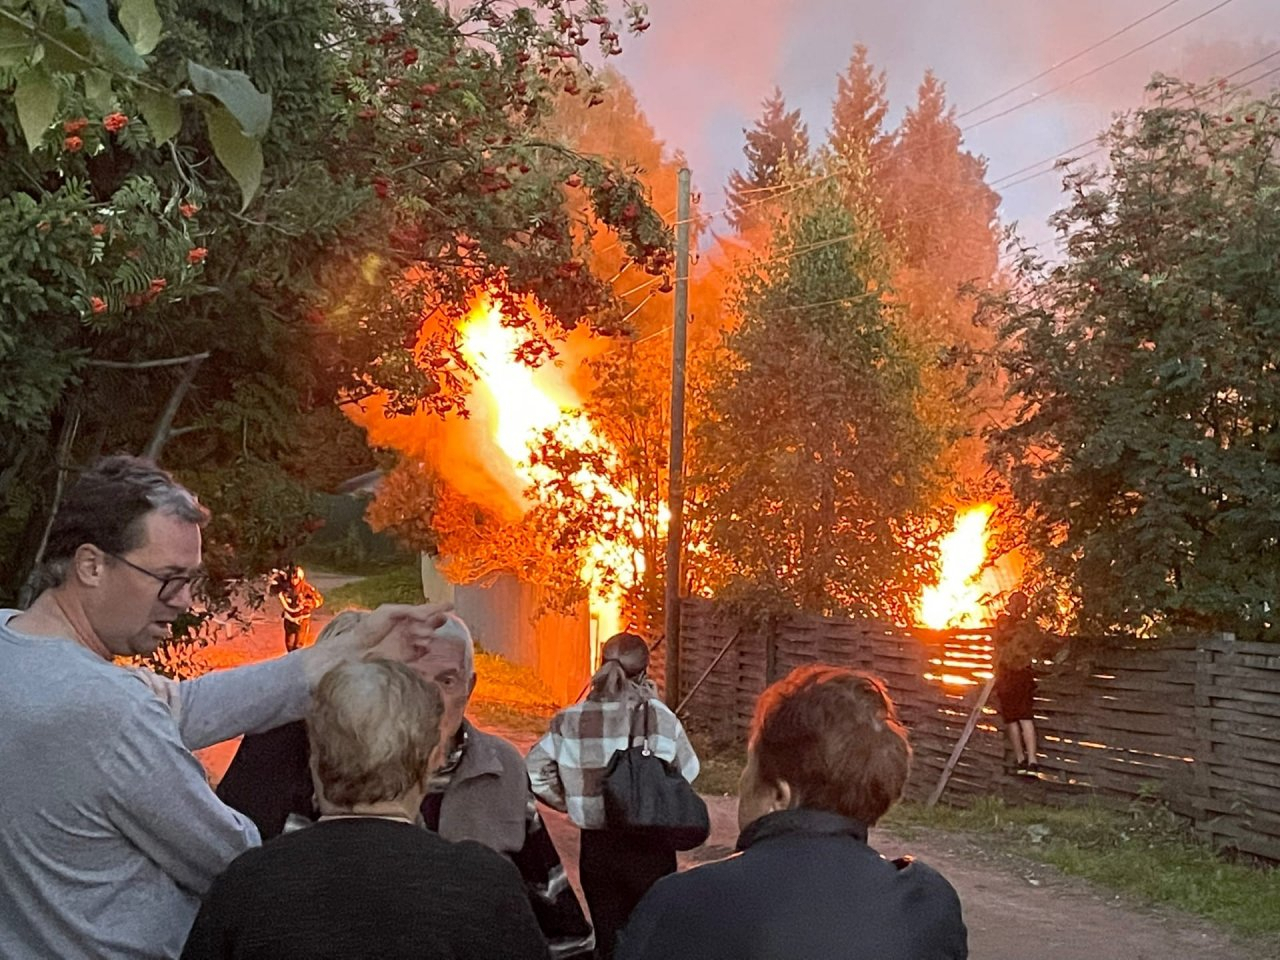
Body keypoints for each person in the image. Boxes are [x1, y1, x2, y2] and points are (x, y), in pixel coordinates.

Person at [0, 454, 452, 960]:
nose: (186, 601)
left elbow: (181, 705)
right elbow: (232, 860)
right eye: (170, 577)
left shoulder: (18, 653)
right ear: (91, 565)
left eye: (193, 579)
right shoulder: (109, 712)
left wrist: (340, 652)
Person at [216, 613, 595, 959]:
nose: (430, 701)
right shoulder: (267, 855)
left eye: (446, 680)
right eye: (414, 681)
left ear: (470, 686)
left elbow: (563, 928)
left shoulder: (501, 772)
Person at [615, 664, 968, 960]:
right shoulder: (928, 903)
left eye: (749, 766)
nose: (741, 782)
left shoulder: (680, 903)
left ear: (780, 795)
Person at [526, 632, 700, 960]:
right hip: (652, 846)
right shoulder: (660, 718)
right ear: (645, 673)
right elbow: (688, 770)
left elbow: (535, 771)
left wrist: (572, 801)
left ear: (600, 666)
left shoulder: (570, 719)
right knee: (651, 942)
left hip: (598, 848)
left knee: (607, 943)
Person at [992, 590, 1040, 776]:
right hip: (1023, 676)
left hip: (1008, 677)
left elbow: (998, 641)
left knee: (1013, 719)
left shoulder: (1005, 623)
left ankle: (1022, 760)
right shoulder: (1029, 626)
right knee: (1024, 717)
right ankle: (1032, 761)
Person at [273, 563, 323, 651]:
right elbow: (274, 589)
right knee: (289, 645)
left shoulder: (307, 588)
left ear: (300, 578)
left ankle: (296, 662)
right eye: (291, 578)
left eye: (295, 578)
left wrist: (307, 603)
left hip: (302, 620)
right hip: (289, 619)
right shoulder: (285, 587)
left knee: (298, 646)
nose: (293, 580)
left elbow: (319, 600)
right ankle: (290, 662)